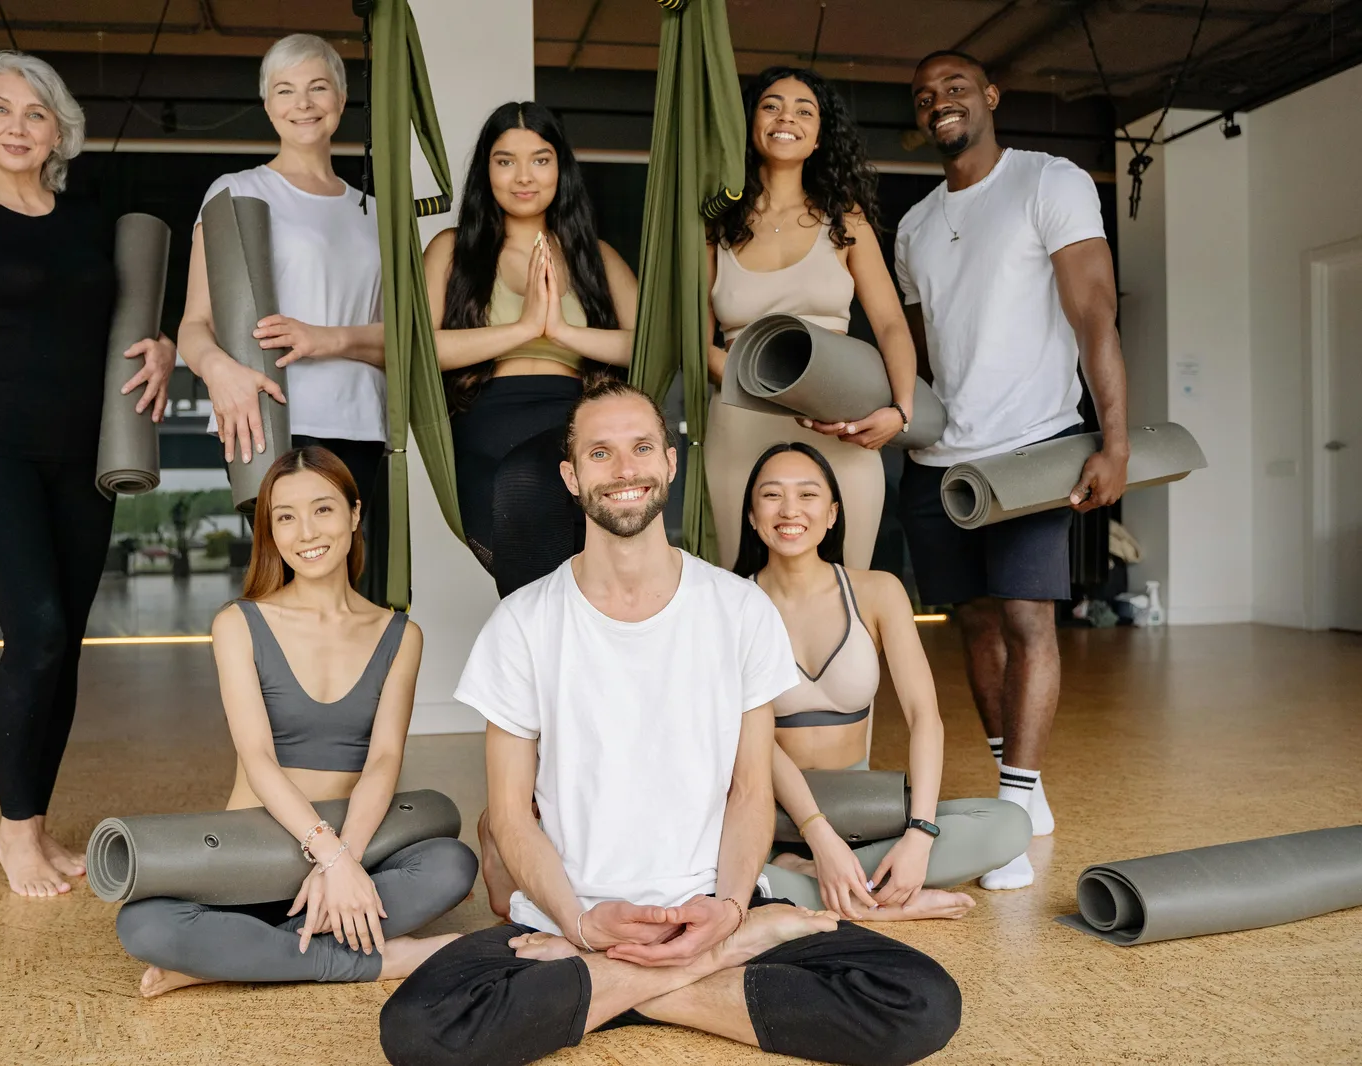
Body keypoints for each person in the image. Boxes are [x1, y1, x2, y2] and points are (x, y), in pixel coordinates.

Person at [378, 381, 960, 1066]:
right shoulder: (523, 623)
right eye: (600, 453)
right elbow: (509, 815)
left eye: (641, 448)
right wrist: (581, 924)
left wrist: (732, 913)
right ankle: (700, 974)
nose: (624, 470)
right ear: (571, 477)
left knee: (922, 1001)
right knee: (417, 1031)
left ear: (670, 462)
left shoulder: (738, 610)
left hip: (708, 907)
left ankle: (612, 995)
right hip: (575, 919)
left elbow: (750, 791)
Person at [0, 50, 176, 898]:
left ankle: (38, 824)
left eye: (35, 112)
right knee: (39, 631)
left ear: (61, 129)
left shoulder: (90, 222)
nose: (17, 126)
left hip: (81, 460)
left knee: (64, 649)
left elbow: (126, 321)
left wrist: (163, 348)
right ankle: (14, 835)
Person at [115, 447, 477, 997]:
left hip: (356, 840)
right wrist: (325, 853)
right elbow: (258, 758)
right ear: (270, 530)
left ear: (355, 515)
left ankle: (229, 959)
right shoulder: (239, 623)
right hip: (257, 846)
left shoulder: (401, 634)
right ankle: (378, 959)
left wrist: (346, 858)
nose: (305, 531)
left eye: (323, 510)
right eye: (285, 516)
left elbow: (383, 761)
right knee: (142, 923)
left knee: (451, 865)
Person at [896, 51, 1130, 889]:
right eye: (925, 97)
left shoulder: (1050, 181)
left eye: (956, 87)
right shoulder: (914, 226)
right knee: (975, 623)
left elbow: (1093, 308)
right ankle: (1017, 794)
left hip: (1032, 447)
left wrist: (1115, 440)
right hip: (940, 459)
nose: (941, 103)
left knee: (1030, 620)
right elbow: (921, 356)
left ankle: (1018, 800)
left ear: (990, 96)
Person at [734, 443, 1030, 915]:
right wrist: (818, 835)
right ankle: (877, 899)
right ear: (752, 515)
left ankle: (798, 886)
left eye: (807, 495)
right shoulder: (732, 604)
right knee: (680, 855)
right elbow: (757, 739)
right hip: (767, 808)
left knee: (1010, 825)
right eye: (772, 495)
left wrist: (919, 833)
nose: (790, 510)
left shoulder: (878, 592)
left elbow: (924, 718)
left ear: (832, 514)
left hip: (859, 807)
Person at [176, 34, 391, 597]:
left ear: (341, 102)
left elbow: (404, 342)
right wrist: (219, 374)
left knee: (351, 590)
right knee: (287, 587)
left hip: (361, 425)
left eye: (318, 88)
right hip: (268, 420)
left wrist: (327, 338)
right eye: (286, 90)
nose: (303, 102)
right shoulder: (237, 191)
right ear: (268, 105)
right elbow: (193, 325)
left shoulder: (372, 212)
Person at [705, 66, 919, 571]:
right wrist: (753, 382)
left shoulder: (847, 218)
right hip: (741, 422)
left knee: (845, 586)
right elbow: (692, 339)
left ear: (820, 135)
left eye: (805, 111)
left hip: (839, 423)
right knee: (746, 592)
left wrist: (901, 411)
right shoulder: (715, 223)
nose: (788, 118)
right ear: (750, 123)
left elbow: (890, 324)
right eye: (772, 105)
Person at [424, 102, 638, 596]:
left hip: (578, 429)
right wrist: (524, 327)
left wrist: (561, 330)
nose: (524, 176)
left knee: (580, 592)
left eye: (540, 159)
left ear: (561, 169)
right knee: (536, 592)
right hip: (485, 425)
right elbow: (424, 351)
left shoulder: (595, 257)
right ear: (486, 170)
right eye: (505, 161)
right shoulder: (451, 249)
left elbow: (648, 345)